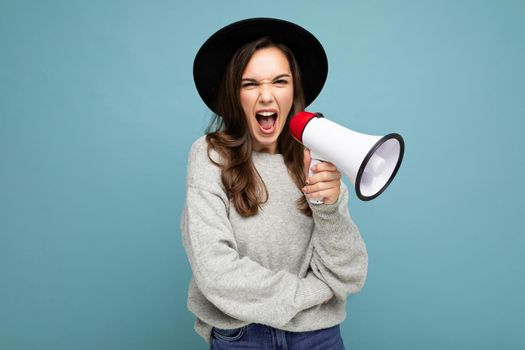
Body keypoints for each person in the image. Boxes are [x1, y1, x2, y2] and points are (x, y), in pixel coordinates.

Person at [181, 18, 368, 349]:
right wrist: (311, 293)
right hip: (243, 337)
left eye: (279, 81)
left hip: (319, 337)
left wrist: (328, 207)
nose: (266, 96)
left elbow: (350, 273)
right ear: (233, 93)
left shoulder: (318, 157)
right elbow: (216, 273)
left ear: (294, 90)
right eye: (250, 84)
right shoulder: (210, 156)